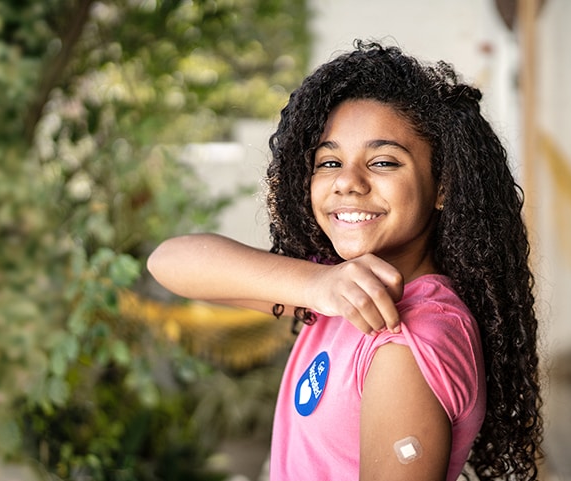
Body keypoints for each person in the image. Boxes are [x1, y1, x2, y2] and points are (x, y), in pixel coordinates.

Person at [147, 40, 542, 480]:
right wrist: (317, 285)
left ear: (444, 186)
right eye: (329, 161)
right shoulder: (340, 291)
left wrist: (322, 287)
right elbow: (169, 261)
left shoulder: (404, 342)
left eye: (384, 161)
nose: (348, 182)